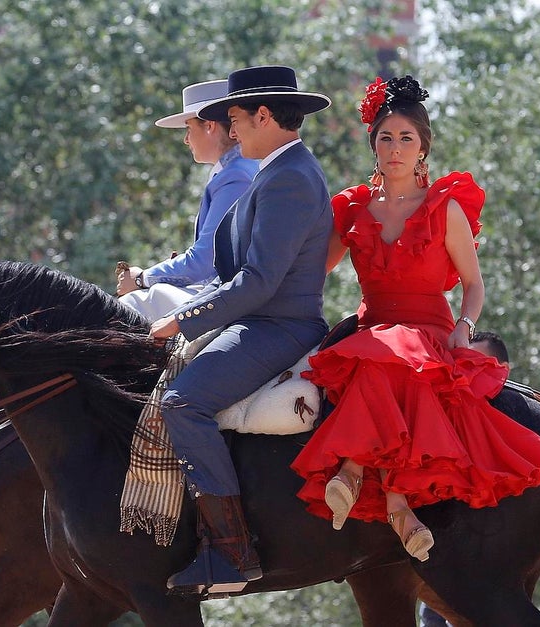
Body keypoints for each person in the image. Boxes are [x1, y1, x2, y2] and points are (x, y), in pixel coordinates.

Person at [290, 75, 540, 562]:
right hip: (372, 327)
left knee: (396, 356)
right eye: (385, 137)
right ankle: (399, 508)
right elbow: (314, 269)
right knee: (380, 351)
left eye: (406, 138)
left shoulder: (445, 208)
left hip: (430, 332)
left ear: (423, 149)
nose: (394, 148)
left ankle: (353, 472)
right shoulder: (353, 208)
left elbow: (473, 283)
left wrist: (466, 326)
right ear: (373, 145)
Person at [148, 65, 334, 596]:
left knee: (183, 403)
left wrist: (182, 318)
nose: (231, 130)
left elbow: (258, 281)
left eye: (235, 118)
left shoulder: (291, 178)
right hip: (258, 318)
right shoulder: (279, 170)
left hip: (278, 326)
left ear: (265, 115)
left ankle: (230, 552)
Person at [117, 80, 259, 320]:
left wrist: (142, 278)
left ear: (210, 126)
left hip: (231, 300)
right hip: (225, 292)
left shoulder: (235, 175)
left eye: (188, 128)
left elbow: (205, 260)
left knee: (132, 306)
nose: (186, 139)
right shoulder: (233, 170)